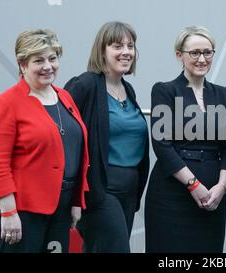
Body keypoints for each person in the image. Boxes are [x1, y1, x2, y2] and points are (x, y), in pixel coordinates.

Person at [0, 29, 89, 253]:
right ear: (22, 64)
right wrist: (9, 213)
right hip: (21, 213)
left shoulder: (65, 97)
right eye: (38, 60)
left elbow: (75, 152)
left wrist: (76, 201)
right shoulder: (7, 103)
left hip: (60, 211)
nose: (48, 66)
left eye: (52, 58)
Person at [145, 26, 226, 252]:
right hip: (171, 196)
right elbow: (162, 145)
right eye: (194, 52)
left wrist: (221, 187)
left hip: (213, 197)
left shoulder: (224, 93)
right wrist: (193, 185)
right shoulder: (165, 90)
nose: (202, 59)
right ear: (180, 55)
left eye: (208, 52)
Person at [64, 21, 149, 253]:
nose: (126, 52)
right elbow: (64, 137)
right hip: (100, 190)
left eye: (130, 46)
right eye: (117, 46)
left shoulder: (127, 90)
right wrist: (73, 196)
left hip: (129, 190)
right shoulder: (85, 85)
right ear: (102, 51)